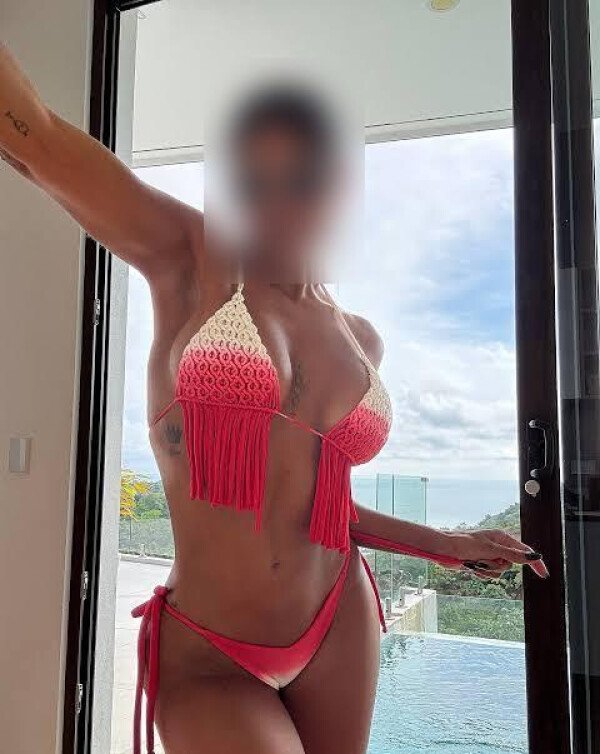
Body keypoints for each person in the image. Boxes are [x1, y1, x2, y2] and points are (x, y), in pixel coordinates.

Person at [0, 43, 548, 754]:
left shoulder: (361, 339)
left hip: (338, 623)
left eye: (302, 181)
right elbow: (37, 139)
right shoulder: (191, 258)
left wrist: (444, 544)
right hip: (209, 651)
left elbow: (319, 508)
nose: (277, 206)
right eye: (253, 182)